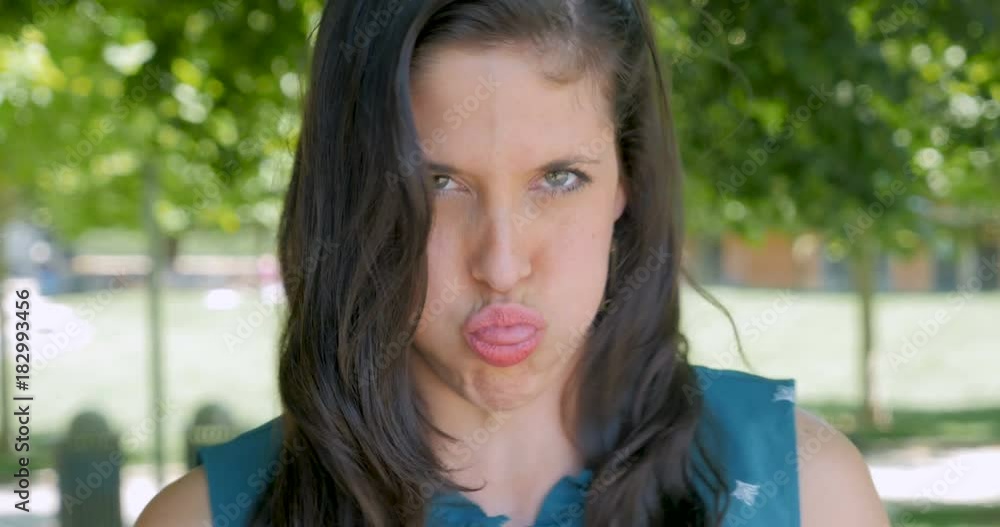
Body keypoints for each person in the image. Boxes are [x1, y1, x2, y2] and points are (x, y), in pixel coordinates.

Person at [137, 0, 889, 525]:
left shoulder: (806, 491)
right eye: (438, 184)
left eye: (559, 178)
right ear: (353, 195)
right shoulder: (207, 517)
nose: (500, 264)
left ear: (626, 179)